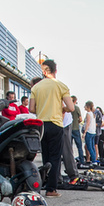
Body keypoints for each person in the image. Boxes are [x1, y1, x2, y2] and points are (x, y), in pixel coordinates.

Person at [29, 59, 75, 198]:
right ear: (55, 70)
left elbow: (31, 108)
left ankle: (42, 184)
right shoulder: (61, 86)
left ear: (43, 71)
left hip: (41, 125)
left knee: (46, 157)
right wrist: (63, 108)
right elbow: (71, 107)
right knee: (55, 157)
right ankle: (51, 189)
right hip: (56, 124)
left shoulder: (36, 87)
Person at [70, 96, 85, 164]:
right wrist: (77, 122)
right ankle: (81, 160)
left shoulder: (68, 108)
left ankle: (70, 161)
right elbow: (81, 119)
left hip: (69, 129)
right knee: (79, 146)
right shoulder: (76, 108)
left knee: (69, 147)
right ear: (75, 101)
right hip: (76, 128)